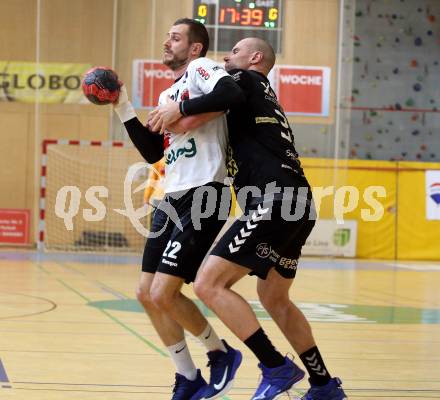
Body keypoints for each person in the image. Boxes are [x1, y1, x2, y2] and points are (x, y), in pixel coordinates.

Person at [150, 37, 348, 400]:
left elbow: (219, 99)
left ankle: (274, 366)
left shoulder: (242, 81)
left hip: (274, 198)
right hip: (298, 202)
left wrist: (175, 111)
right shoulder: (261, 92)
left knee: (208, 284)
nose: (226, 57)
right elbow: (211, 113)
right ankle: (323, 386)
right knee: (275, 299)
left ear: (255, 58)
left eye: (235, 52)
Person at [112, 18, 245, 400]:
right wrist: (122, 106)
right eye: (167, 37)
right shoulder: (168, 94)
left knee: (164, 292)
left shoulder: (204, 70)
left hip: (207, 191)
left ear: (195, 48)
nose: (166, 42)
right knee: (145, 293)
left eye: (175, 38)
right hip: (172, 196)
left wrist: (180, 107)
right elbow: (155, 152)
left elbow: (232, 95)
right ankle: (187, 376)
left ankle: (221, 353)